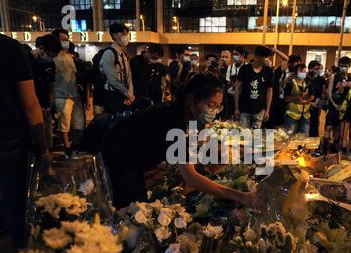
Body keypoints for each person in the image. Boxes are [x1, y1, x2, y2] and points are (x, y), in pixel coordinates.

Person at [103, 72, 265, 210]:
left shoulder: (184, 115)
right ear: (191, 99)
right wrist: (242, 197)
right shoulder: (171, 120)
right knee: (133, 213)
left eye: (218, 107)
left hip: (130, 162)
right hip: (120, 165)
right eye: (210, 105)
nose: (214, 111)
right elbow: (191, 177)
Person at [0, 31, 51, 249]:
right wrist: (43, 148)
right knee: (15, 203)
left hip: (7, 140)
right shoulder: (9, 48)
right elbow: (30, 104)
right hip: (7, 138)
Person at [52, 29, 86, 155]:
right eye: (63, 40)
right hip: (61, 95)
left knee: (78, 123)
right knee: (64, 123)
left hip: (74, 95)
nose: (66, 42)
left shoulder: (69, 56)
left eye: (67, 40)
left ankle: (75, 145)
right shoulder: (53, 58)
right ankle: (67, 148)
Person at [28, 35, 62, 148]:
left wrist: (50, 106)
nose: (51, 58)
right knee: (33, 140)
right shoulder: (27, 60)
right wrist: (36, 106)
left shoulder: (50, 64)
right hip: (30, 107)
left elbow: (51, 86)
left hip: (45, 108)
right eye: (50, 55)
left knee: (46, 140)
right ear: (41, 48)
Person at [98, 23, 135, 116]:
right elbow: (112, 79)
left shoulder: (124, 54)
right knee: (114, 123)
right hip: (112, 95)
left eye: (126, 34)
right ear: (114, 35)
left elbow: (129, 76)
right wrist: (127, 94)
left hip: (124, 95)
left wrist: (130, 94)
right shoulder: (109, 54)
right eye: (122, 34)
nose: (125, 37)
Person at [234, 45, 274, 129]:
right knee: (244, 138)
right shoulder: (245, 69)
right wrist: (236, 108)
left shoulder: (268, 71)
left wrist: (267, 110)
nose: (266, 60)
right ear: (257, 56)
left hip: (260, 111)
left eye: (267, 57)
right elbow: (237, 89)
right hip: (244, 109)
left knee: (256, 139)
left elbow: (269, 91)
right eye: (265, 58)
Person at [324, 57, 351, 153]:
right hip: (333, 106)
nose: (343, 68)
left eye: (346, 66)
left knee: (338, 130)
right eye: (341, 66)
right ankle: (324, 150)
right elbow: (329, 92)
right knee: (328, 127)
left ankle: (334, 150)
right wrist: (334, 104)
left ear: (349, 66)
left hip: (344, 108)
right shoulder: (334, 76)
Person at [283, 64, 315, 135]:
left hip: (305, 116)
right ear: (296, 72)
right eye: (301, 71)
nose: (303, 73)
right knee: (290, 138)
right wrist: (297, 96)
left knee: (303, 139)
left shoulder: (308, 83)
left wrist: (306, 101)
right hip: (292, 116)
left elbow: (312, 96)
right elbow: (285, 99)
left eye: (304, 71)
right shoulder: (290, 83)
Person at [223, 46, 247, 120]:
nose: (234, 56)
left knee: (242, 118)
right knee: (231, 118)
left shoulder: (247, 67)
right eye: (233, 54)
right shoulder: (230, 67)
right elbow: (227, 81)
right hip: (231, 96)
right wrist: (232, 84)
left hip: (243, 97)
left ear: (242, 55)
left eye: (236, 54)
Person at [306, 60, 327, 137]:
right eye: (313, 69)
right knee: (306, 123)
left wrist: (317, 102)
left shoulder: (321, 79)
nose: (315, 71)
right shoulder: (305, 78)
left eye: (317, 69)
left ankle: (314, 144)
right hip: (305, 103)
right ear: (309, 68)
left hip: (316, 104)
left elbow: (322, 92)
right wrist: (309, 102)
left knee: (315, 122)